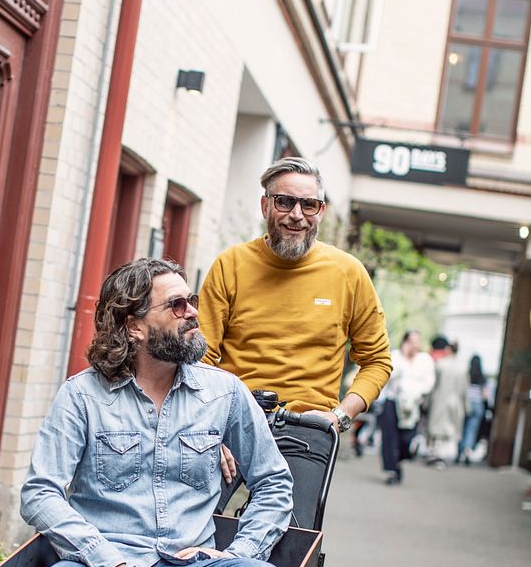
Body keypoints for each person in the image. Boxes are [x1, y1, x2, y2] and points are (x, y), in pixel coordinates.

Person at [20, 257, 292, 567]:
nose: (193, 313)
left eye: (191, 300)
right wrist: (104, 560)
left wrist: (238, 554)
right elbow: (39, 493)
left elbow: (274, 483)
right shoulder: (82, 395)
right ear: (134, 327)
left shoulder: (224, 393)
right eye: (177, 305)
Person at [197, 158, 392, 443]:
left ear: (321, 211)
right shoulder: (231, 265)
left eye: (309, 204)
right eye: (285, 202)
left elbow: (377, 360)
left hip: (309, 431)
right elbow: (201, 357)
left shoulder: (349, 273)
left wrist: (340, 416)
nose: (297, 215)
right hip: (233, 423)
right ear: (265, 206)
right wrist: (210, 423)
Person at [378, 329, 435, 484]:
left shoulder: (425, 360)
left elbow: (428, 382)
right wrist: (403, 358)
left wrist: (417, 394)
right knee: (389, 438)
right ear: (405, 342)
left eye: (417, 341)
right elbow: (387, 376)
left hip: (412, 405)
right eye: (412, 341)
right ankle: (391, 470)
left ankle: (400, 459)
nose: (415, 345)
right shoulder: (395, 357)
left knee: (407, 438)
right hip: (392, 401)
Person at [426, 341, 468, 469]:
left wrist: (428, 400)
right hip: (455, 402)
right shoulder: (463, 368)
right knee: (449, 429)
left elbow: (434, 384)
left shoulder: (440, 364)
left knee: (436, 428)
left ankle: (436, 455)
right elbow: (464, 389)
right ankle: (442, 457)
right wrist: (466, 406)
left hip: (440, 399)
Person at [458, 354, 487, 464]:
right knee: (471, 429)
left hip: (465, 404)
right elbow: (485, 395)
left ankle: (459, 451)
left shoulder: (466, 375)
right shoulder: (482, 377)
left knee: (461, 428)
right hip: (477, 405)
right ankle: (467, 450)